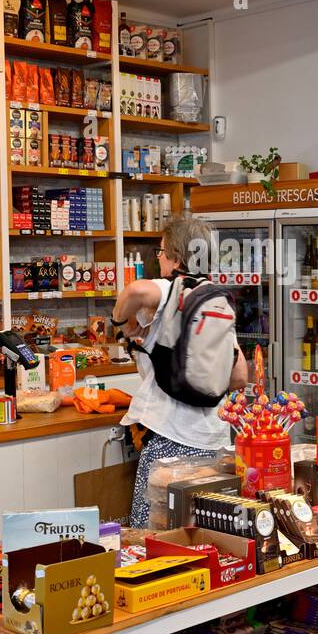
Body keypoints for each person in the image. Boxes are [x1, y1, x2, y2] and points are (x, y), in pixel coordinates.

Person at [112, 215, 249, 528]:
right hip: (215, 441)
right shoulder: (215, 298)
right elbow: (240, 375)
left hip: (169, 439)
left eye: (161, 252)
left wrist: (120, 322)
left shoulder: (171, 288)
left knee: (154, 533)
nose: (159, 259)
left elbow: (134, 290)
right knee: (204, 532)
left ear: (176, 257)